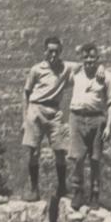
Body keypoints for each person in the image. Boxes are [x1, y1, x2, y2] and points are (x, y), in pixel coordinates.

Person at [22, 36, 103, 201]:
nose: (53, 54)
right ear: (45, 51)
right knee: (33, 151)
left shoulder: (66, 67)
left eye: (56, 51)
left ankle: (62, 188)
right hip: (35, 108)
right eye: (50, 51)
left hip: (54, 111)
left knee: (60, 151)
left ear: (60, 52)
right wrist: (25, 118)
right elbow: (26, 93)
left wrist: (100, 66)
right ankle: (34, 188)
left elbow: (87, 63)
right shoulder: (36, 69)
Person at [69, 43, 111, 211]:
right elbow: (61, 66)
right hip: (76, 118)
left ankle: (95, 193)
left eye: (92, 57)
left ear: (97, 58)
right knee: (77, 158)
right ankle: (77, 191)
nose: (89, 60)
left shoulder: (105, 77)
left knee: (95, 158)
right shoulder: (75, 73)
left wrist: (108, 126)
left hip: (96, 120)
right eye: (86, 57)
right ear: (82, 59)